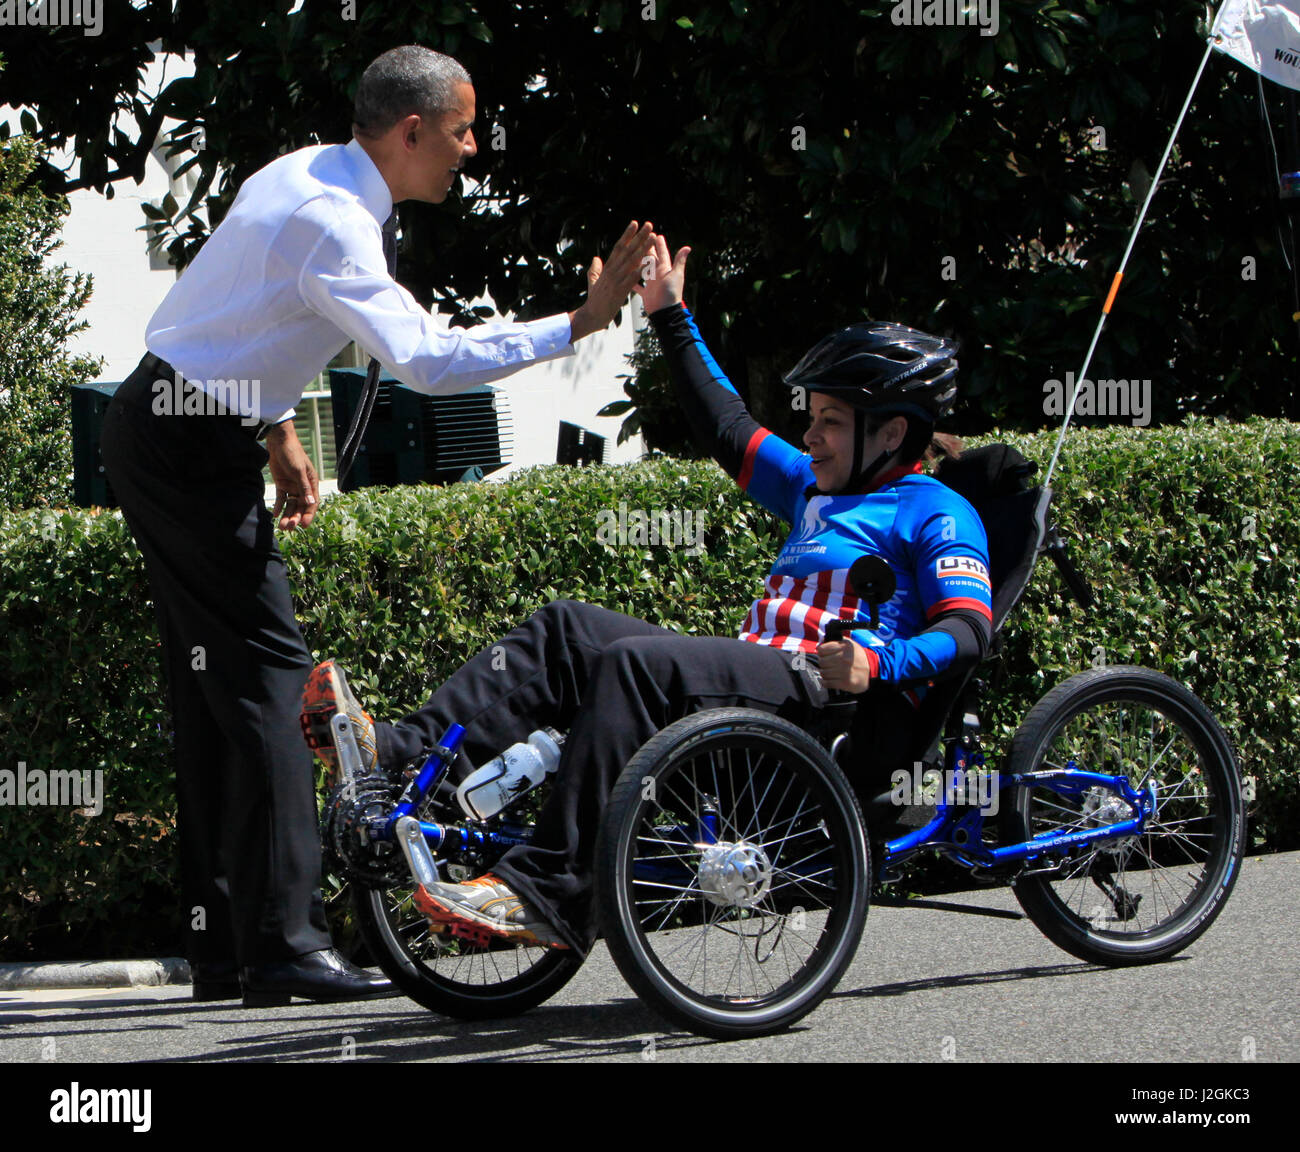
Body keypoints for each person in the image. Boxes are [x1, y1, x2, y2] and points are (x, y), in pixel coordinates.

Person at [100, 44, 654, 1006]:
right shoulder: (340, 221)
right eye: (460, 130)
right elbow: (427, 363)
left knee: (217, 691)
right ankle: (284, 944)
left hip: (175, 428)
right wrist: (579, 320)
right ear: (410, 131)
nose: (470, 149)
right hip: (184, 444)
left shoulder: (305, 174)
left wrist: (273, 431)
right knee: (275, 681)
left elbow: (233, 310)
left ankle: (230, 949)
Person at [300, 234, 994, 955]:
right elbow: (727, 426)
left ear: (892, 432)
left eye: (829, 422)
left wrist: (879, 666)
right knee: (568, 630)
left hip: (821, 705)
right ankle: (396, 757)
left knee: (635, 666)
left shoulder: (935, 511)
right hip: (759, 684)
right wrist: (668, 312)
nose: (809, 435)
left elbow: (970, 629)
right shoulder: (815, 489)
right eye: (812, 417)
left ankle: (544, 891)